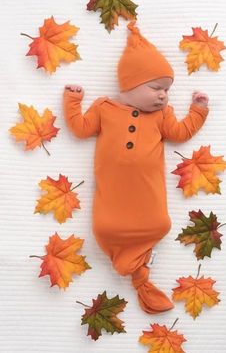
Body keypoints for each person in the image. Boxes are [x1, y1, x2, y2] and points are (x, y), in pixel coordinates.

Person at [63, 21, 209, 314]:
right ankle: (133, 266)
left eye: (166, 90)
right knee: (106, 225)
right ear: (130, 83)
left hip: (148, 197)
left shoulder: (161, 116)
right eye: (157, 88)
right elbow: (80, 129)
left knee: (158, 223)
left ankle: (139, 267)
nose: (163, 95)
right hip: (113, 200)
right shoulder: (104, 108)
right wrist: (73, 100)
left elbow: (180, 133)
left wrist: (197, 111)